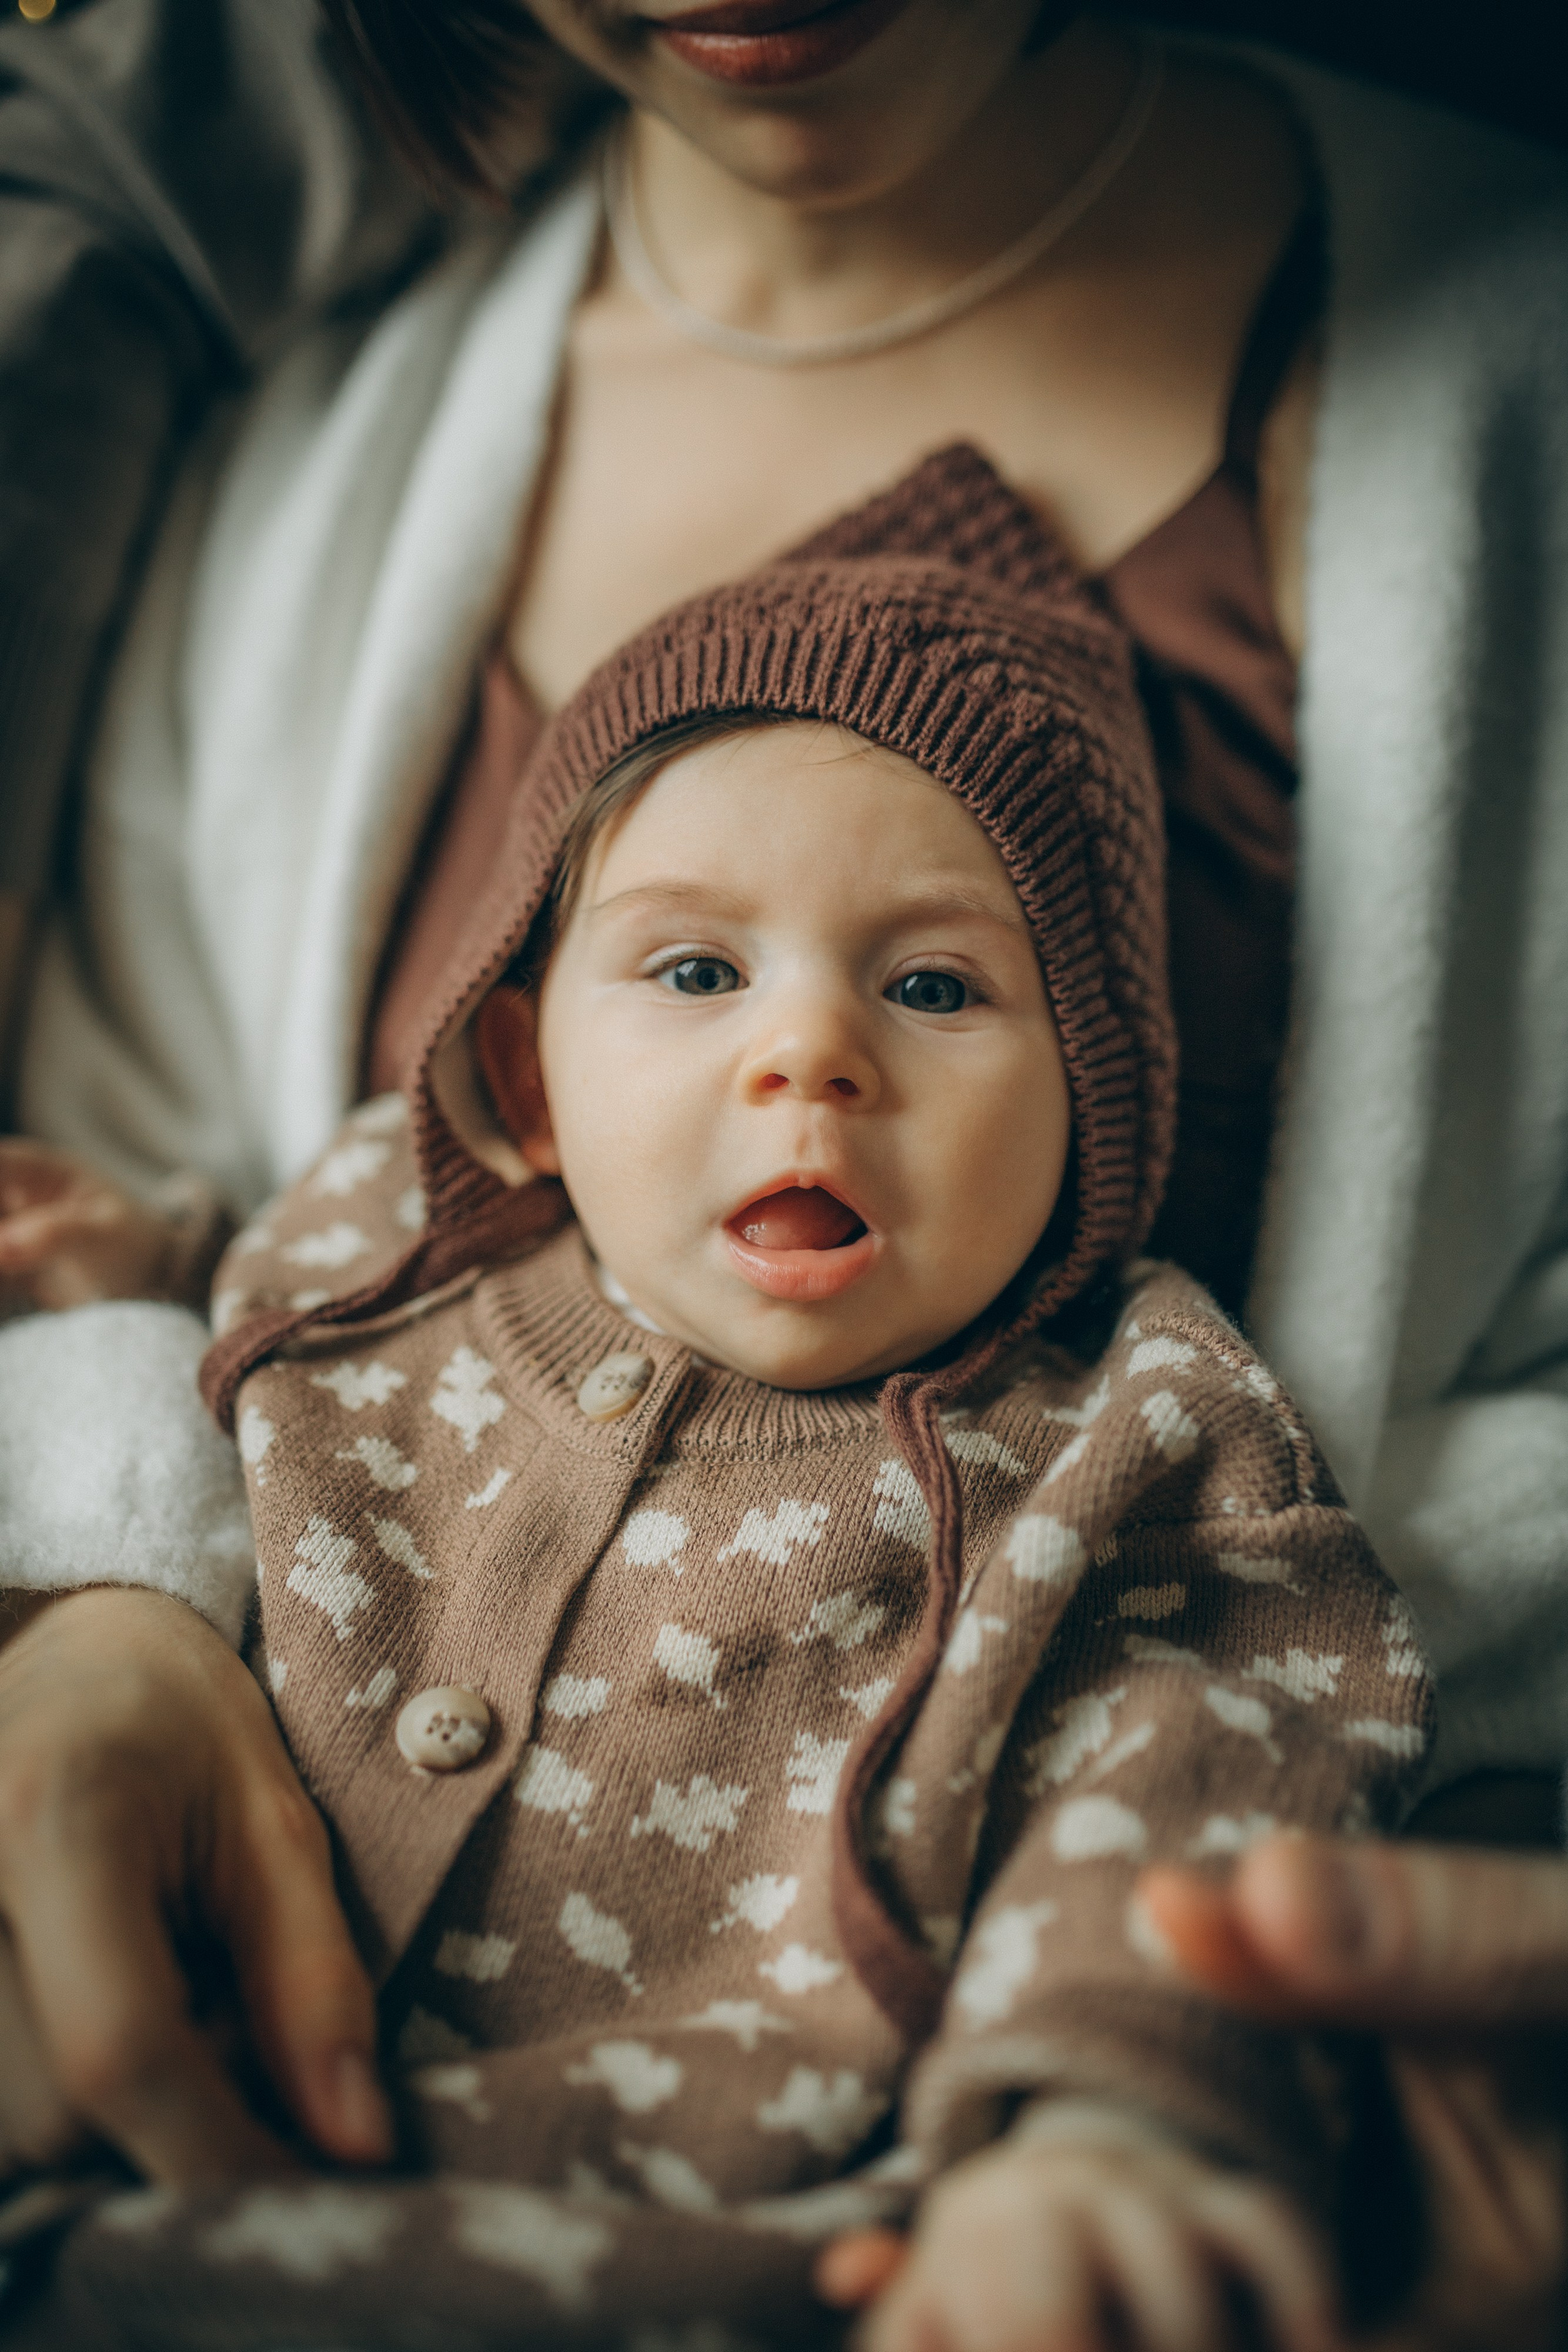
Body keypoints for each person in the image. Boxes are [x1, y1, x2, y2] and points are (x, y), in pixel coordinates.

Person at [0, 0, 1564, 2312]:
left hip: (813, 2248)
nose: (806, 1058)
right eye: (692, 973)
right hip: (188, 2181)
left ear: (1104, 1120)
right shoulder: (265, 421)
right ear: (520, 1086)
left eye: (935, 990)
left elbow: (1195, 1749)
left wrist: (1106, 2127)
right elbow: (197, 1285)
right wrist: (98, 1600)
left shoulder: (1145, 1437)